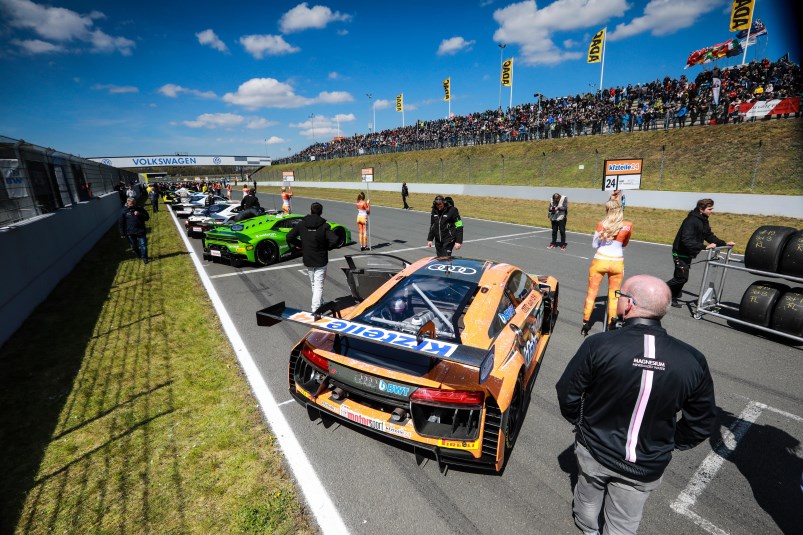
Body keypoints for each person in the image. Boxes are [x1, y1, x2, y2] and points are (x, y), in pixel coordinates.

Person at [556, 274, 716, 535]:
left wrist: (581, 422)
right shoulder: (693, 359)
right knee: (624, 524)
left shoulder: (599, 344)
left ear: (629, 304)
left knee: (586, 502)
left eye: (620, 296)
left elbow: (567, 393)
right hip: (647, 462)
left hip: (594, 447)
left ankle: (587, 530)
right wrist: (670, 442)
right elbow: (701, 421)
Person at [666, 198, 735, 308]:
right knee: (681, 278)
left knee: (680, 277)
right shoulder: (691, 221)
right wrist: (704, 247)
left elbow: (709, 236)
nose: (712, 211)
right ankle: (659, 290)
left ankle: (672, 295)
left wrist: (724, 243)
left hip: (688, 253)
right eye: (709, 209)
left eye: (712, 208)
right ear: (701, 209)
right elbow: (686, 239)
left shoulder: (703, 220)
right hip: (679, 252)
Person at [581, 200, 633, 336]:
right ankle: (611, 324)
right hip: (617, 262)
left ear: (607, 210)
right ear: (620, 209)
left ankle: (586, 323)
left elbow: (594, 245)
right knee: (614, 295)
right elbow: (625, 244)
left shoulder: (602, 224)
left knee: (592, 293)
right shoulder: (628, 225)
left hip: (600, 260)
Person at [286, 202, 340, 312]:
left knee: (314, 284)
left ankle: (319, 303)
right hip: (320, 259)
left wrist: (301, 245)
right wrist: (327, 247)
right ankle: (315, 309)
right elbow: (335, 240)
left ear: (310, 210)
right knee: (318, 285)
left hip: (308, 258)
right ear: (321, 212)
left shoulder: (302, 224)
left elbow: (289, 237)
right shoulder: (324, 226)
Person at [119, 198, 150, 264]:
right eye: (130, 205)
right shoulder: (124, 211)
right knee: (134, 246)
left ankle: (145, 258)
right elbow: (121, 223)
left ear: (135, 203)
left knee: (143, 245)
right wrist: (122, 233)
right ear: (127, 204)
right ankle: (139, 255)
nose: (132, 206)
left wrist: (139, 214)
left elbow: (147, 218)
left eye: (133, 204)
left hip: (140, 231)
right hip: (130, 232)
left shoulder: (140, 209)